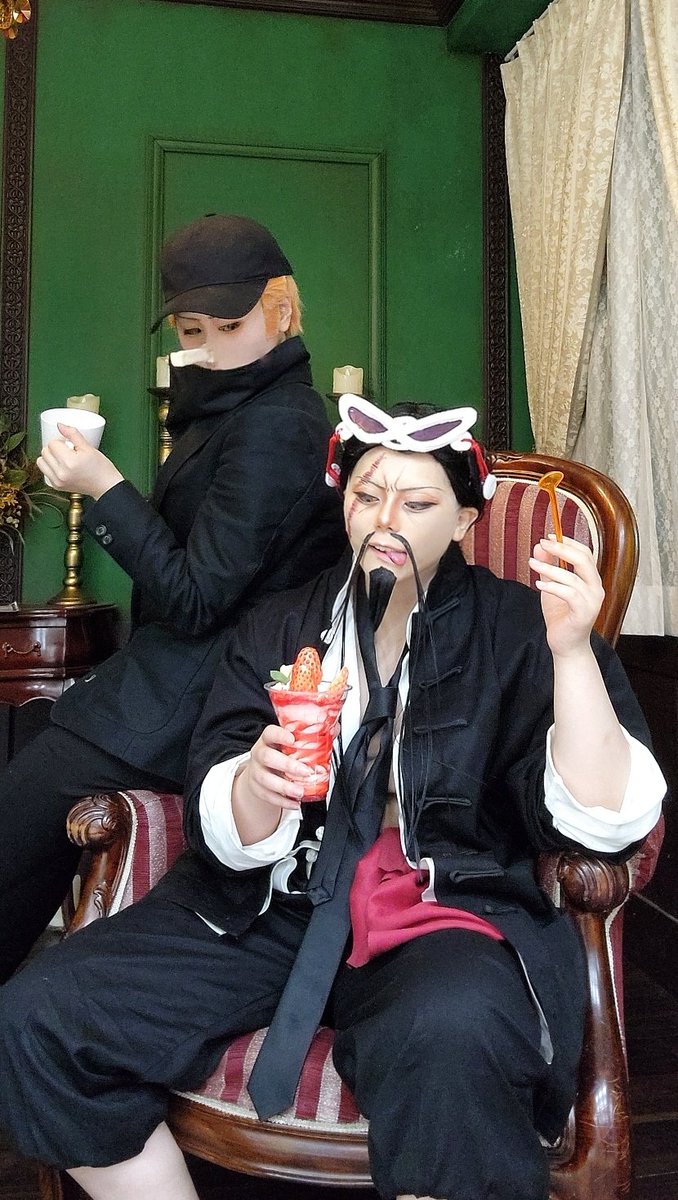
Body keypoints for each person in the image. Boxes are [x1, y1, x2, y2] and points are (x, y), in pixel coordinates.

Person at [0, 398, 665, 1200]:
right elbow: (220, 779)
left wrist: (573, 652)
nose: (385, 521)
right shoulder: (282, 624)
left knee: (454, 1031)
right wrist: (256, 782)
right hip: (272, 902)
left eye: (417, 503)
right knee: (42, 1015)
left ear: (464, 519)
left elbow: (605, 818)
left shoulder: (521, 628)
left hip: (439, 906)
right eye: (366, 495)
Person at [0, 212, 345, 984]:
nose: (212, 347)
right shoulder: (236, 405)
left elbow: (195, 597)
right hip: (163, 687)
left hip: (194, 699)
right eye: (193, 330)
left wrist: (105, 487)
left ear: (281, 313)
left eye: (231, 325)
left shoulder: (280, 424)